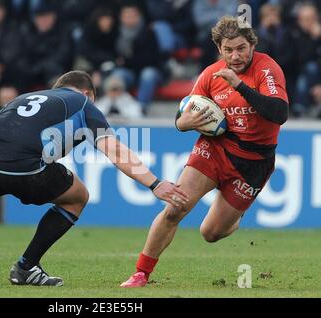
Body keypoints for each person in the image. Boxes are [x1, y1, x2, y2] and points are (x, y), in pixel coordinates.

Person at [0, 71, 188, 286]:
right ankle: (25, 267)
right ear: (87, 93)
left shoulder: (24, 98)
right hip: (23, 166)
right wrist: (154, 182)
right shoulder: (84, 105)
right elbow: (115, 151)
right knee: (78, 196)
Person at [120, 16, 289, 288]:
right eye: (229, 49)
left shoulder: (267, 69)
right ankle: (141, 273)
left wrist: (240, 86)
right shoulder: (210, 74)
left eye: (242, 48)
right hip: (216, 148)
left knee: (211, 233)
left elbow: (280, 113)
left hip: (255, 162)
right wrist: (181, 123)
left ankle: (234, 215)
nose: (236, 55)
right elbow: (185, 114)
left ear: (252, 45)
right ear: (219, 48)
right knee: (176, 208)